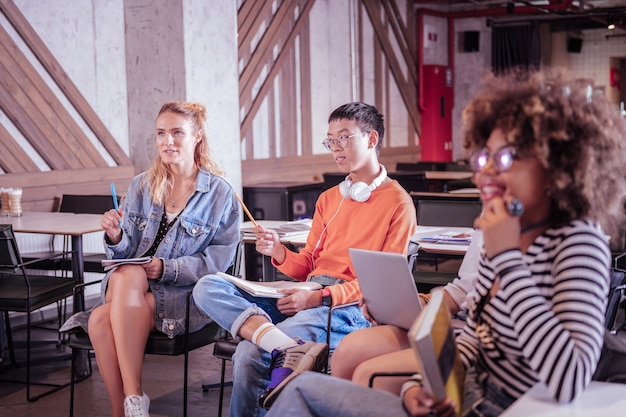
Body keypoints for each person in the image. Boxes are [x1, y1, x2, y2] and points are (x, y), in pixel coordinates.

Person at [264, 68, 626, 417]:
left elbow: (568, 378)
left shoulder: (578, 244)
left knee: (304, 392)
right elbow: (474, 337)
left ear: (558, 164)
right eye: (483, 158)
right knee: (299, 390)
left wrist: (508, 261)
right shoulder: (500, 233)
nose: (486, 172)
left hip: (504, 407)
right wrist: (419, 387)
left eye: (504, 158)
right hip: (463, 399)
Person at [193, 102, 417, 416]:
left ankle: (274, 343)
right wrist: (280, 253)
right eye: (331, 141)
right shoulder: (329, 199)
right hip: (308, 293)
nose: (336, 148)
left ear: (371, 139)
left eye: (344, 138)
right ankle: (283, 345)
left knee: (248, 352)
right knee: (207, 286)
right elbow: (308, 265)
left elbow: (380, 287)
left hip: (347, 307)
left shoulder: (398, 203)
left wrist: (318, 297)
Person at [86, 101, 241, 417]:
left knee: (100, 318)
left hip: (184, 297)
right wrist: (116, 236)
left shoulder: (220, 194)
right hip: (132, 290)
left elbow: (217, 263)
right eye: (161, 133)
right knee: (126, 277)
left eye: (176, 133)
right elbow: (127, 254)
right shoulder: (142, 184)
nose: (167, 141)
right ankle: (132, 405)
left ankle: (127, 406)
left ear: (197, 136)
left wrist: (166, 269)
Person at [329, 232, 482, 395]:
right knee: (348, 353)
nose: (477, 224)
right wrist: (406, 303)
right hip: (460, 323)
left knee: (371, 375)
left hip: (484, 337)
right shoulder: (487, 226)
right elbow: (463, 290)